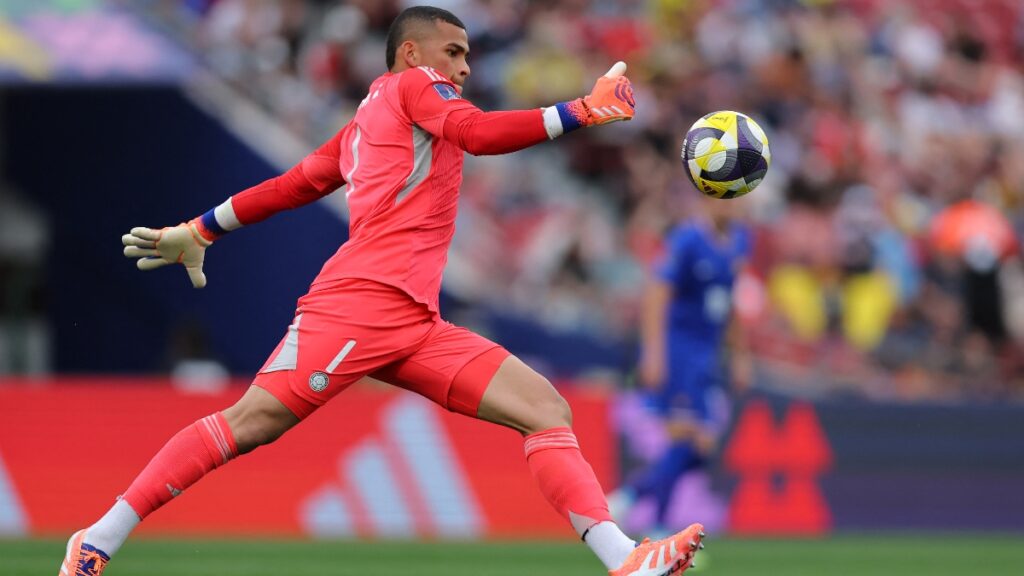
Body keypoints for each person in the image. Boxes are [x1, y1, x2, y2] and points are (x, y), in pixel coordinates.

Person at [59, 6, 703, 576]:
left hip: (415, 321)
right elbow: (476, 135)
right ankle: (98, 539)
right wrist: (581, 111)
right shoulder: (413, 86)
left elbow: (292, 185)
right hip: (361, 304)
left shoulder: (366, 124)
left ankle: (623, 559)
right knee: (250, 424)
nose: (465, 68)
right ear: (411, 52)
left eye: (469, 57)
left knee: (545, 408)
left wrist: (201, 229)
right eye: (455, 52)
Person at [609, 198, 750, 536]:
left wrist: (741, 354)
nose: (729, 204)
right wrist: (654, 354)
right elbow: (657, 295)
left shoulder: (741, 239)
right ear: (704, 197)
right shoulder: (686, 240)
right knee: (686, 441)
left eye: (735, 196)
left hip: (708, 355)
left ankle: (630, 497)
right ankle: (658, 532)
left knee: (700, 450)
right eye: (721, 196)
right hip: (679, 351)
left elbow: (729, 302)